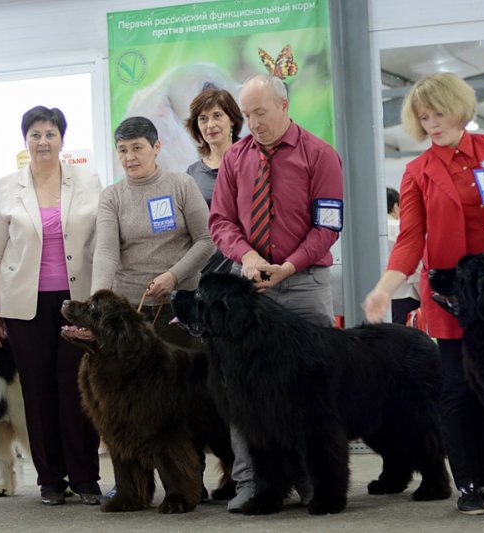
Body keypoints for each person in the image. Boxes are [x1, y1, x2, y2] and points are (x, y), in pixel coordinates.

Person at [361, 72, 484, 516]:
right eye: (423, 118)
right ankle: (468, 485)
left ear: (459, 108)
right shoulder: (417, 172)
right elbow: (410, 239)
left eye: (438, 114)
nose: (431, 125)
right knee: (459, 391)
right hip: (453, 301)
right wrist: (385, 288)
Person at [209, 74, 344, 512]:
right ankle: (251, 481)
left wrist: (289, 266)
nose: (252, 123)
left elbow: (328, 225)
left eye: (260, 113)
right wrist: (246, 256)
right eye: (246, 115)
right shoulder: (234, 158)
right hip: (249, 293)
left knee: (311, 393)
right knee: (244, 390)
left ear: (284, 105)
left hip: (304, 285)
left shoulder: (320, 155)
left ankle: (311, 481)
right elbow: (221, 222)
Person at [0, 105, 102, 506]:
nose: (43, 141)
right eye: (35, 134)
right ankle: (50, 479)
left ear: (62, 139)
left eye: (50, 134)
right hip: (23, 307)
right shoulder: (6, 187)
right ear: (25, 140)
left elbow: (103, 245)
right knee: (37, 391)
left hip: (77, 304)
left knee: (78, 389)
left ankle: (85, 477)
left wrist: (101, 305)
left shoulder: (88, 180)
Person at [91, 116, 214, 348]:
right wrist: (96, 304)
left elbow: (206, 241)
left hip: (180, 305)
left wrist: (173, 276)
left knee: (184, 378)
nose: (129, 157)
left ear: (156, 147)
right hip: (129, 310)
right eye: (122, 150)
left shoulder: (182, 184)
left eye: (137, 148)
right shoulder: (111, 196)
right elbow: (106, 252)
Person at [185, 88, 244, 275]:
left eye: (217, 115)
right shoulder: (192, 174)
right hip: (207, 272)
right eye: (203, 119)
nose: (210, 125)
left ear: (232, 119)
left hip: (247, 267)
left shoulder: (251, 162)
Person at [386, 187, 420, 325]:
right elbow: (413, 260)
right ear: (395, 206)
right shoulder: (399, 227)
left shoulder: (364, 229)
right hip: (403, 294)